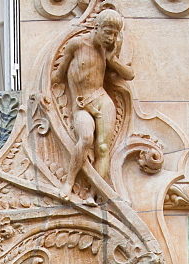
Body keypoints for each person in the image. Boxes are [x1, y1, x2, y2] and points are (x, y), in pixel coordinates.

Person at [53, 9, 134, 200]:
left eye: (115, 34)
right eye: (107, 32)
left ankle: (93, 194)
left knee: (103, 147)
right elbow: (58, 74)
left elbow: (129, 75)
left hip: (101, 99)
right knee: (86, 137)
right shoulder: (77, 45)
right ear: (96, 28)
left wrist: (111, 59)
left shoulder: (109, 51)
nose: (111, 38)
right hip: (81, 103)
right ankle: (69, 183)